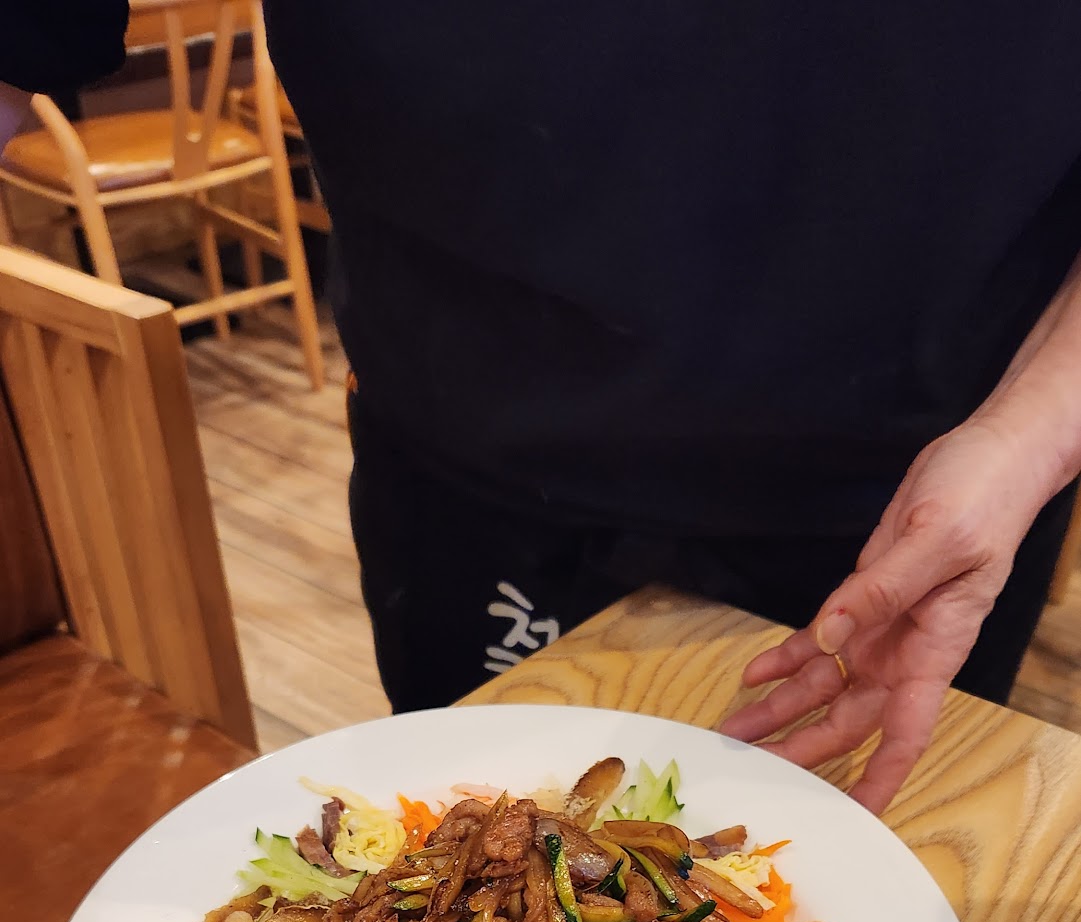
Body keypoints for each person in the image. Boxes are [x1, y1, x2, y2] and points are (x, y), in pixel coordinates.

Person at [6, 7, 1081, 813]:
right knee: (475, 879)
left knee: (850, 896)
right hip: (479, 473)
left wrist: (1025, 437)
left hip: (932, 502)